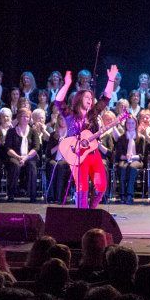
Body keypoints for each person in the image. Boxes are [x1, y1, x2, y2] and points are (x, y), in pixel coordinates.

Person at [53, 65, 119, 209]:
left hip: (94, 155)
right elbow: (58, 101)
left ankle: (92, 209)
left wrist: (111, 80)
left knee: (101, 186)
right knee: (82, 188)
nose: (90, 100)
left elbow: (106, 98)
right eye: (87, 97)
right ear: (79, 99)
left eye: (91, 98)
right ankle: (83, 214)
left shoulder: (93, 113)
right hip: (78, 157)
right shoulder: (70, 115)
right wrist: (67, 84)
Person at [4, 108, 41, 203]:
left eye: (27, 117)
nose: (25, 118)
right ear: (18, 118)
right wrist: (18, 157)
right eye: (23, 116)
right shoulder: (11, 131)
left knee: (31, 166)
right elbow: (8, 148)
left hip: (29, 157)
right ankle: (11, 194)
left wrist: (26, 157)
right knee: (15, 165)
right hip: (15, 156)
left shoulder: (33, 131)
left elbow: (36, 147)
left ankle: (32, 195)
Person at [112, 116, 146, 205]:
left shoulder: (141, 138)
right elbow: (119, 155)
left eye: (132, 123)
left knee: (132, 167)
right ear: (125, 125)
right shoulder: (121, 138)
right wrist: (126, 157)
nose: (130, 125)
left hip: (136, 160)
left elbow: (142, 155)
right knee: (122, 167)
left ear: (136, 124)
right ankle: (122, 194)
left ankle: (130, 195)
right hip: (124, 159)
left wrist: (132, 157)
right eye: (128, 123)